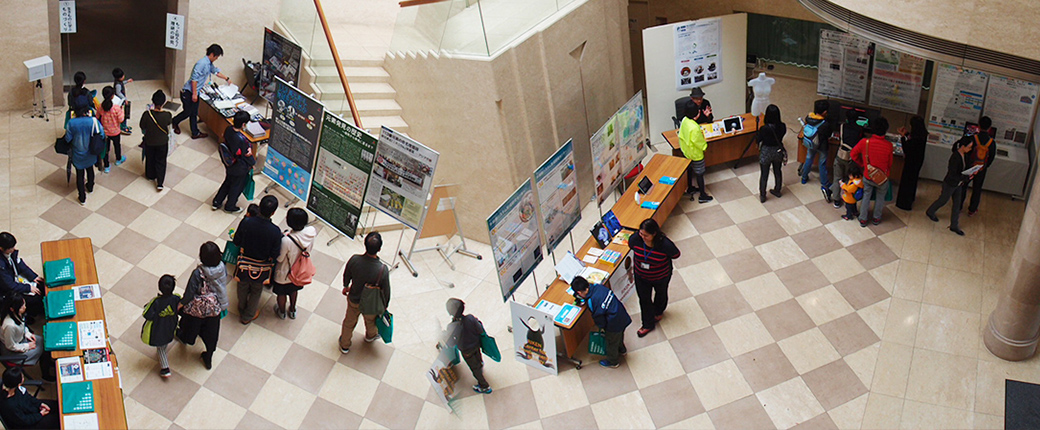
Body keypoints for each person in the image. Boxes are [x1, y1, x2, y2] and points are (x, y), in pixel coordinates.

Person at [177, 242, 229, 370]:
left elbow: (190, 291)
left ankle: (186, 337)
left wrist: (181, 303)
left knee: (190, 325)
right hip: (214, 307)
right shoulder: (222, 267)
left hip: (198, 309)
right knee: (211, 332)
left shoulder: (198, 273)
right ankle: (208, 355)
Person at [232, 196, 282, 325]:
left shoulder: (246, 222)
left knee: (242, 285)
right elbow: (275, 254)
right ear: (273, 212)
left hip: (244, 262)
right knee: (256, 289)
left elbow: (236, 241)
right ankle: (248, 315)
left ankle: (241, 307)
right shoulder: (275, 231)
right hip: (261, 266)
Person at [340, 232, 390, 354]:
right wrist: (385, 304)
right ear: (379, 249)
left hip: (354, 299)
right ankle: (370, 335)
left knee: (349, 322)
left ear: (365, 244)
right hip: (371, 304)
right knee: (370, 321)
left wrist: (346, 286)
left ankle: (345, 344)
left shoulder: (355, 259)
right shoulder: (382, 269)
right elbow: (386, 290)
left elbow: (347, 274)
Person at [628, 219, 680, 338]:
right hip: (641, 276)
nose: (642, 237)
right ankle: (647, 324)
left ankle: (658, 311)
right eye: (641, 234)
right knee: (644, 300)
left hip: (661, 276)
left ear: (654, 234)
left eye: (646, 235)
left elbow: (676, 254)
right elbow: (631, 245)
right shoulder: (635, 239)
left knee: (661, 294)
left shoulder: (664, 244)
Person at [172, 44, 231, 139]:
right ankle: (174, 121)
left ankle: (195, 133)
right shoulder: (202, 63)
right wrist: (194, 94)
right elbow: (194, 80)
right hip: (188, 92)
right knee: (188, 112)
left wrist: (227, 79)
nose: (216, 58)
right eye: (216, 56)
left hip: (196, 91)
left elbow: (215, 71)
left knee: (194, 113)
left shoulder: (209, 64)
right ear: (212, 54)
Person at [571, 276, 631, 368]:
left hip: (613, 323)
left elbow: (599, 318)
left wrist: (603, 328)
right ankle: (621, 349)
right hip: (621, 314)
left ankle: (613, 361)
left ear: (579, 292)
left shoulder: (592, 301)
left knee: (611, 341)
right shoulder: (598, 286)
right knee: (619, 334)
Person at [272, 208, 316, 320]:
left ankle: (281, 311)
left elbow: (280, 258)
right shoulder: (311, 232)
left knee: (281, 293)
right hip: (299, 271)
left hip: (284, 273)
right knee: (294, 290)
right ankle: (292, 309)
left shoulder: (286, 240)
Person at [927, 138, 975, 236]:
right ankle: (930, 211)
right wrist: (965, 178)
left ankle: (954, 226)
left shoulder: (965, 156)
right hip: (950, 184)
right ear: (963, 146)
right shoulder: (955, 157)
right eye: (969, 147)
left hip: (958, 184)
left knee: (957, 205)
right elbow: (953, 174)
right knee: (943, 200)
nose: (970, 149)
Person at [850, 117, 893, 227]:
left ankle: (863, 219)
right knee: (880, 198)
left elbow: (853, 154)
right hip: (882, 178)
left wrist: (862, 164)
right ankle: (876, 218)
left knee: (866, 196)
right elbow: (890, 164)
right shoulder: (889, 145)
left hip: (868, 176)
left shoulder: (865, 142)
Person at [0, 295, 54, 381]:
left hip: (21, 340)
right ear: (12, 309)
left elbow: (23, 325)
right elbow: (11, 346)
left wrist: (28, 334)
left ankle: (47, 363)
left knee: (45, 342)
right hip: (13, 351)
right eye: (22, 306)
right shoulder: (9, 326)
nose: (25, 307)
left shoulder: (17, 314)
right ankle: (45, 374)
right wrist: (28, 346)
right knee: (43, 348)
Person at [443, 298, 492, 394]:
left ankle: (484, 386)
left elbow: (451, 344)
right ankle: (480, 365)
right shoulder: (470, 318)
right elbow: (480, 330)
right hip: (476, 345)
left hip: (466, 351)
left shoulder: (452, 327)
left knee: (474, 368)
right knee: (478, 358)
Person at [212, 111, 255, 213]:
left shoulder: (228, 130)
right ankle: (230, 206)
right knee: (236, 186)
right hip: (239, 167)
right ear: (243, 124)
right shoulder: (241, 140)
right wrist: (252, 162)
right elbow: (246, 155)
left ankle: (217, 201)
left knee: (227, 182)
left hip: (229, 163)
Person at [141, 275, 180, 378]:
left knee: (161, 349)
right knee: (165, 341)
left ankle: (165, 368)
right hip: (171, 326)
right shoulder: (176, 298)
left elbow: (146, 314)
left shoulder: (156, 302)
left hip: (158, 329)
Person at [0, 233, 44, 320]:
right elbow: (9, 286)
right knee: (35, 298)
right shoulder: (1, 266)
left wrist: (33, 276)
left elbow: (19, 263)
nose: (14, 249)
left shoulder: (10, 253)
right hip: (7, 290)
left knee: (41, 284)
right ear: (2, 248)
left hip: (16, 279)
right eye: (10, 248)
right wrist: (28, 288)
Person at [64, 105, 102, 205]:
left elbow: (68, 138)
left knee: (79, 175)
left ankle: (82, 197)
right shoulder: (92, 121)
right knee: (90, 170)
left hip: (77, 153)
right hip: (90, 152)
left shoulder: (71, 123)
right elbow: (101, 133)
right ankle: (90, 187)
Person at [960, 116, 996, 216]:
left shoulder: (972, 138)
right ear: (989, 128)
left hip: (969, 166)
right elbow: (992, 157)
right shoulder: (991, 142)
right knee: (977, 188)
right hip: (981, 168)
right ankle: (972, 209)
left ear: (978, 126)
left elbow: (964, 151)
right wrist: (984, 166)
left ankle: (959, 206)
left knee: (963, 186)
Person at [831, 114, 868, 209]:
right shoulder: (859, 129)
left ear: (846, 119)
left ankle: (836, 200)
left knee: (837, 178)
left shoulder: (842, 126)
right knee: (849, 179)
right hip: (851, 158)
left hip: (840, 154)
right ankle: (848, 199)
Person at [800, 100, 834, 200]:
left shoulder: (808, 117)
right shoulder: (825, 124)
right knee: (822, 164)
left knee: (808, 159)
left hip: (811, 143)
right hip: (822, 146)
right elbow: (828, 135)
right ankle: (824, 183)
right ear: (824, 112)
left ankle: (804, 178)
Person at [141, 90, 173, 192]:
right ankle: (160, 183)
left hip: (149, 141)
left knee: (150, 157)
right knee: (161, 161)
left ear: (153, 102)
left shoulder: (147, 114)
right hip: (162, 142)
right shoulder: (167, 115)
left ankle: (150, 175)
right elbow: (169, 125)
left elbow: (142, 126)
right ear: (163, 102)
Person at [679, 109, 713, 203]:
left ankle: (690, 188)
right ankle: (702, 195)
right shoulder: (694, 128)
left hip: (686, 150)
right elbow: (698, 142)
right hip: (695, 154)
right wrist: (705, 146)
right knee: (699, 174)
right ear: (696, 115)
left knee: (689, 170)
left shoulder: (685, 120)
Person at [895, 116, 928, 211]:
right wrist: (906, 134)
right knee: (913, 182)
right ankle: (910, 199)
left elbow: (907, 149)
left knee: (906, 182)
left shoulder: (915, 139)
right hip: (918, 161)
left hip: (910, 162)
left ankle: (904, 203)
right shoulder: (922, 135)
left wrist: (902, 137)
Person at [756, 104, 786, 202]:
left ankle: (763, 195)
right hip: (777, 151)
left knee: (764, 174)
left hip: (766, 152)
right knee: (778, 171)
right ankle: (777, 190)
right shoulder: (782, 126)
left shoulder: (764, 129)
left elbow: (758, 140)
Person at [96, 86, 126, 173]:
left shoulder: (100, 106)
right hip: (115, 132)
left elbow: (97, 117)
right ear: (112, 96)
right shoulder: (116, 108)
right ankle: (118, 159)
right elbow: (121, 119)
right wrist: (122, 110)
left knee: (106, 149)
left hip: (105, 132)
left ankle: (106, 166)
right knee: (117, 145)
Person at [112, 68, 133, 135]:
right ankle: (123, 127)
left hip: (121, 100)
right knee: (123, 113)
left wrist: (127, 81)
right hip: (120, 101)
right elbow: (118, 92)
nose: (124, 76)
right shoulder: (118, 84)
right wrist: (125, 99)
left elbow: (121, 83)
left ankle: (123, 125)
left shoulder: (118, 82)